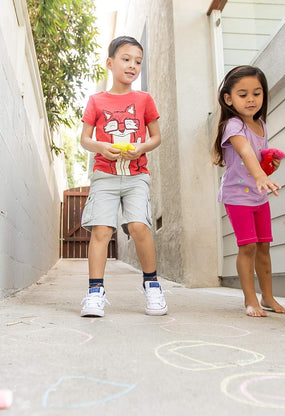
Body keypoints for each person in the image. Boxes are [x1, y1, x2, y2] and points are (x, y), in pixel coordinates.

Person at [79, 36, 167, 317]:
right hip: (104, 175)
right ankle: (95, 292)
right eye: (126, 59)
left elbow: (156, 137)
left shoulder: (144, 99)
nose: (132, 66)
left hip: (136, 175)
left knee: (139, 226)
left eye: (138, 62)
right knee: (101, 230)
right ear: (110, 62)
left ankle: (152, 286)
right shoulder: (96, 100)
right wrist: (101, 146)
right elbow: (84, 139)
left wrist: (141, 147)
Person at [212, 65, 285, 317]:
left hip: (258, 196)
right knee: (248, 247)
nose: (251, 99)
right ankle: (250, 299)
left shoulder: (261, 125)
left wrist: (267, 170)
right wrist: (259, 175)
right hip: (237, 197)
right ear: (228, 98)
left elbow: (255, 159)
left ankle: (267, 296)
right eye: (243, 94)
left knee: (264, 247)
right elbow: (244, 151)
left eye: (257, 93)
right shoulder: (233, 126)